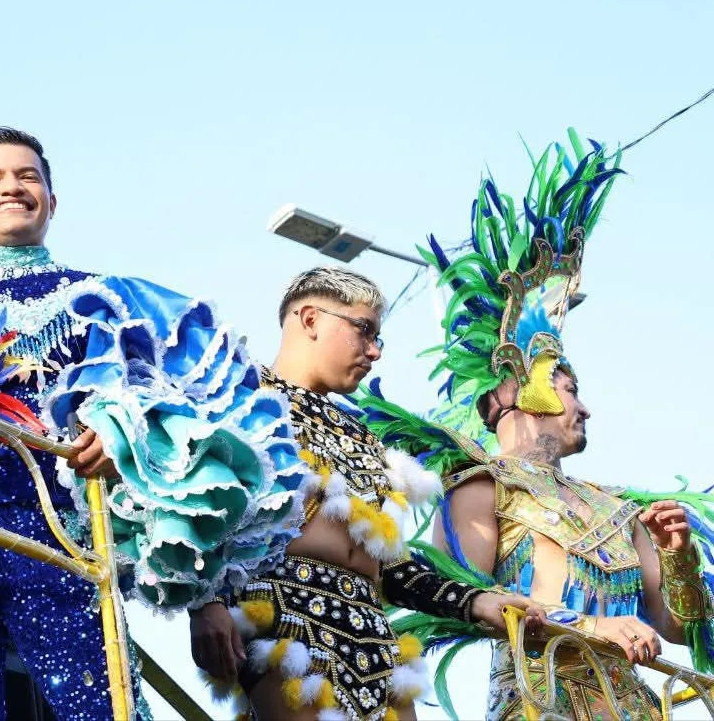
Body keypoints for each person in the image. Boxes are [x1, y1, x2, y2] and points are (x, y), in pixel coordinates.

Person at [0, 127, 304, 719]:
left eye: (27, 176)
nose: (12, 187)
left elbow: (199, 413)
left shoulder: (106, 300)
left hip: (62, 537)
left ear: (52, 201)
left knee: (96, 705)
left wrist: (126, 435)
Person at [390, 134, 714, 720]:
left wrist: (678, 560)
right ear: (522, 389)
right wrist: (590, 626)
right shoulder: (481, 485)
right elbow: (463, 600)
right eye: (570, 390)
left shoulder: (616, 506)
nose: (585, 409)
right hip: (539, 704)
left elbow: (673, 625)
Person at [187, 267, 542, 721]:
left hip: (376, 641)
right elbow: (192, 504)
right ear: (310, 319)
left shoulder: (365, 438)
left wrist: (476, 601)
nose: (374, 350)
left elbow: (391, 566)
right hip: (282, 621)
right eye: (364, 330)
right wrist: (205, 602)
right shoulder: (242, 398)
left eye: (378, 337)